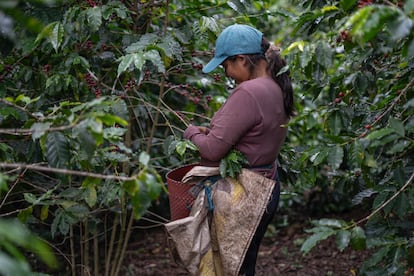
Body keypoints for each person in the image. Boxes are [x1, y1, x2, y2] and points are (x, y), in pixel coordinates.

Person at [183, 23, 294, 276]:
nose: (227, 74)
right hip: (265, 187)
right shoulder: (275, 86)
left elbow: (211, 150)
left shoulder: (249, 92)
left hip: (243, 194)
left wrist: (190, 132)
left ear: (242, 60)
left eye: (226, 66)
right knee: (244, 265)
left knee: (231, 268)